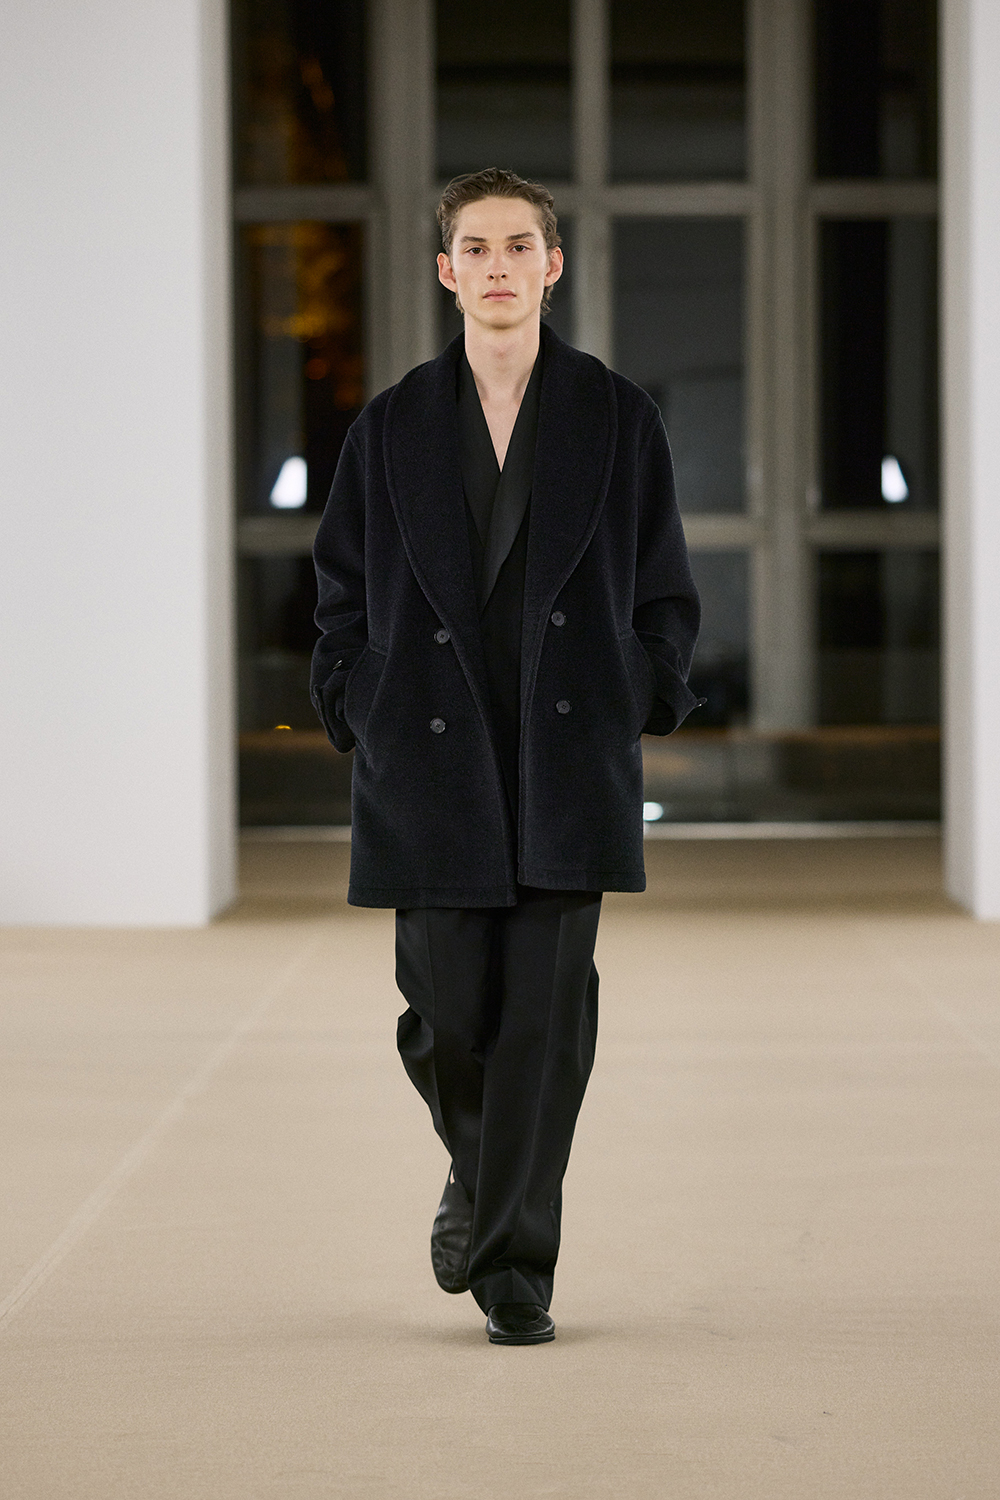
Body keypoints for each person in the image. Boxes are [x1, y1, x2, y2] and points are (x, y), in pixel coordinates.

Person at [311, 167, 701, 1345]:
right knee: (441, 1017)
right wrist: (355, 695)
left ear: (552, 265)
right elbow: (340, 591)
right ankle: (484, 1181)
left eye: (517, 245)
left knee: (542, 1021)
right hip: (428, 761)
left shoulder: (615, 416)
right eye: (474, 248)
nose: (496, 266)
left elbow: (663, 584)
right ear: (445, 271)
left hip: (564, 758)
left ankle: (515, 1265)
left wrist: (640, 683)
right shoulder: (390, 426)